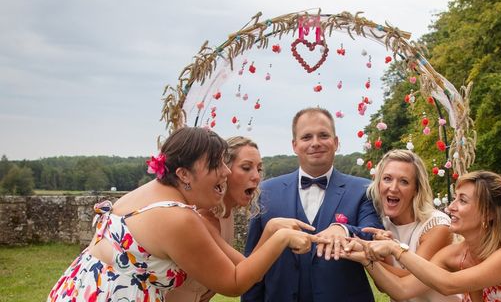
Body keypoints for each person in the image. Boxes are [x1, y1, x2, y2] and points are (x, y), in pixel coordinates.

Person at [48, 127, 322, 302]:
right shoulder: (178, 218)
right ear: (183, 174)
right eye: (216, 164)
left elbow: (240, 265)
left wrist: (273, 228)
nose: (226, 172)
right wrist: (282, 237)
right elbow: (234, 282)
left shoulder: (147, 193)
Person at [241, 107, 384, 302]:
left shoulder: (363, 190)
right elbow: (253, 260)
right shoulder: (266, 191)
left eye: (323, 135)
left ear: (336, 142)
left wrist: (344, 228)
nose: (315, 143)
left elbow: (374, 234)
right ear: (294, 145)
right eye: (307, 137)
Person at [343, 170, 501, 302]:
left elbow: (449, 284)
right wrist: (366, 259)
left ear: (489, 213)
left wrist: (396, 249)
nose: (451, 207)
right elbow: (402, 290)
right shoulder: (454, 254)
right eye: (454, 199)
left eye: (462, 200)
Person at [167, 135, 271, 302]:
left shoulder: (226, 214)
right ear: (224, 171)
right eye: (246, 168)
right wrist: (273, 230)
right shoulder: (204, 216)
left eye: (259, 169)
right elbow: (244, 272)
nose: (256, 177)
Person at [364, 149, 462, 302]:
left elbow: (408, 283)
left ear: (416, 190)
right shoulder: (381, 226)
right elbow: (384, 286)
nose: (393, 188)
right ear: (378, 184)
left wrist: (364, 256)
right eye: (387, 179)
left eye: (404, 181)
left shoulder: (437, 226)